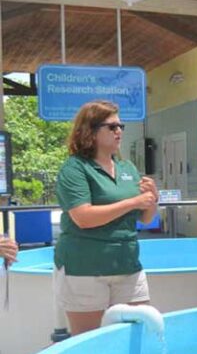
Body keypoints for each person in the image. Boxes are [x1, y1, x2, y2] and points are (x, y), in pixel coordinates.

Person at [53, 100, 159, 335]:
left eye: (120, 125)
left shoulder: (127, 168)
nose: (119, 131)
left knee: (138, 335)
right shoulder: (75, 168)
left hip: (128, 266)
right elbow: (83, 217)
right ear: (90, 131)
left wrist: (153, 197)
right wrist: (133, 202)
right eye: (111, 126)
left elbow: (145, 218)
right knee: (88, 342)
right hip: (85, 269)